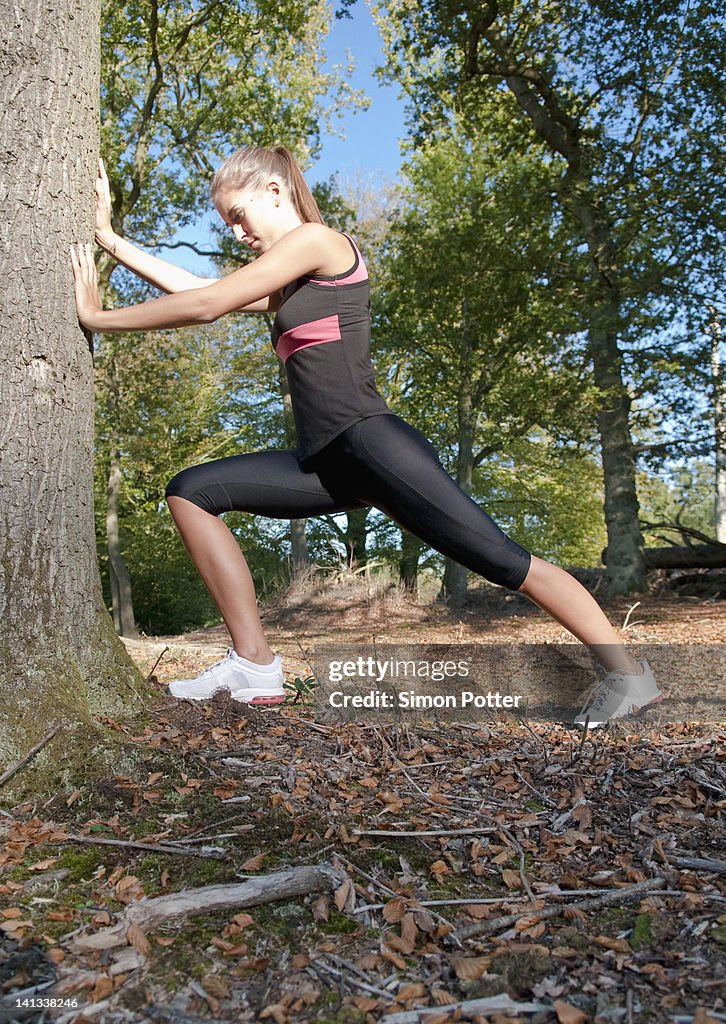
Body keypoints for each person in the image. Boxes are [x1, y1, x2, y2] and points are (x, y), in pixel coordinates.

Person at [71, 146, 663, 728]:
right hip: (329, 464)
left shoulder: (320, 243)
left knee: (505, 562)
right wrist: (110, 240)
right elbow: (197, 286)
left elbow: (208, 303)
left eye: (238, 215)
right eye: (228, 222)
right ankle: (253, 666)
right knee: (192, 491)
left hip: (375, 446)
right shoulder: (284, 285)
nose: (236, 232)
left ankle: (629, 677)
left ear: (274, 192)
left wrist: (99, 320)